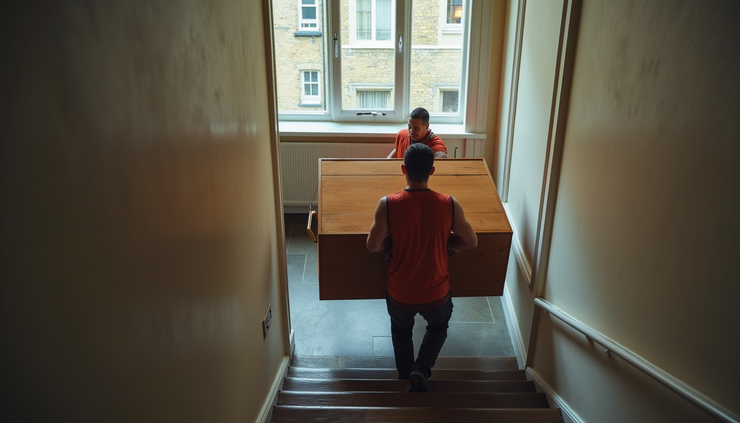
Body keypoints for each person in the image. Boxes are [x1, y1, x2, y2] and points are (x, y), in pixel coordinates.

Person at [366, 143, 477, 392]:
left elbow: (372, 246)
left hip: (400, 293)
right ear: (433, 171)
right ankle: (422, 368)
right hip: (436, 293)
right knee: (438, 326)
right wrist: (445, 240)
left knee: (401, 330)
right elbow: (471, 241)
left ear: (403, 169)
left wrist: (391, 243)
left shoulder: (387, 204)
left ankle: (405, 374)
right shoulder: (449, 204)